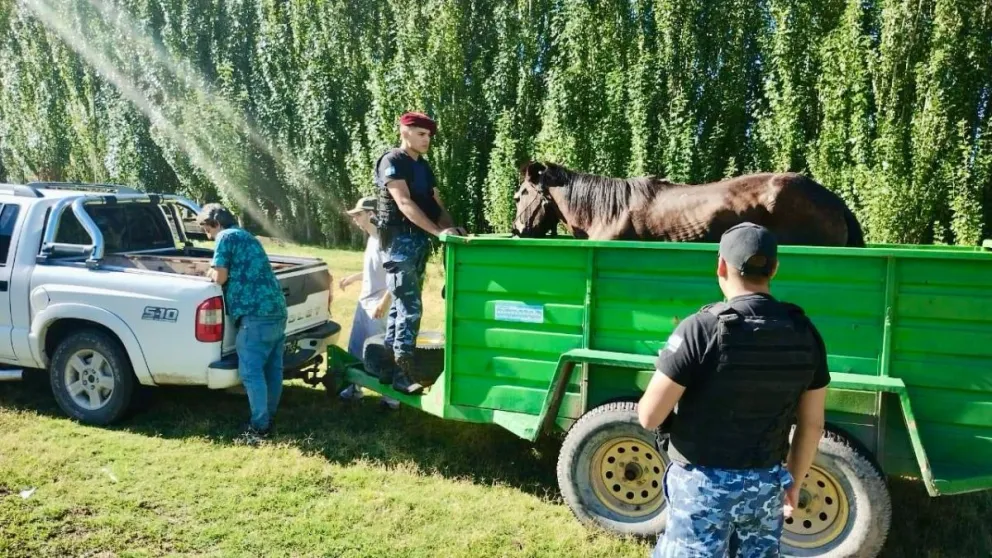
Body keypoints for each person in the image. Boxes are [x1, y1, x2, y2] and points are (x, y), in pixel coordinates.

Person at [637, 222, 830, 557]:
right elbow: (813, 424)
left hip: (702, 487)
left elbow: (650, 416)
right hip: (767, 483)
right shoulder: (805, 333)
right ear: (774, 268)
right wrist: (793, 483)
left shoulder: (701, 329)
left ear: (721, 266)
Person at [373, 111, 465, 395]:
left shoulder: (423, 167)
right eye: (421, 134)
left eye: (429, 136)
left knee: (401, 306)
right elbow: (404, 202)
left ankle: (389, 365)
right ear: (405, 131)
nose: (427, 140)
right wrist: (437, 233)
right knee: (409, 307)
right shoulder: (392, 161)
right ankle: (404, 373)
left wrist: (452, 229)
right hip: (399, 242)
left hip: (417, 244)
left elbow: (435, 204)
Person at [198, 203, 288, 443]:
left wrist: (209, 273)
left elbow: (220, 276)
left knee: (251, 371)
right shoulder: (247, 236)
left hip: (254, 313)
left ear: (216, 224)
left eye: (207, 229)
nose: (208, 235)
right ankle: (269, 416)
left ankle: (259, 427)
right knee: (272, 368)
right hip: (276, 308)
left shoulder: (225, 238)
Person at [337, 195, 399, 410]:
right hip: (364, 304)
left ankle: (391, 399)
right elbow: (373, 271)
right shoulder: (372, 239)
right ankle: (354, 389)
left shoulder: (386, 240)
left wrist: (383, 304)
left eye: (359, 215)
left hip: (378, 307)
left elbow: (396, 276)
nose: (355, 219)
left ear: (372, 215)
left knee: (380, 351)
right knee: (355, 348)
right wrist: (352, 278)